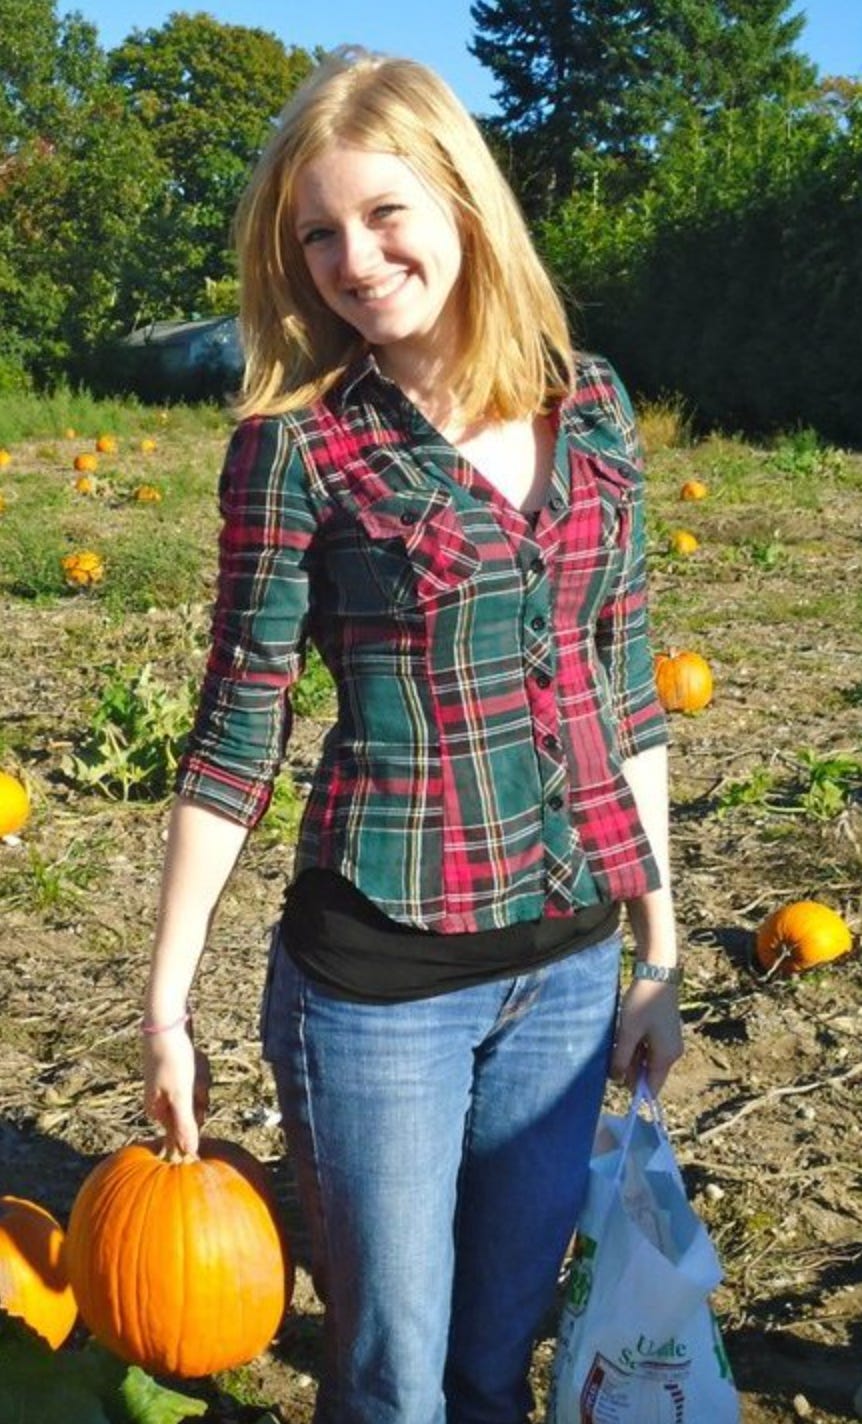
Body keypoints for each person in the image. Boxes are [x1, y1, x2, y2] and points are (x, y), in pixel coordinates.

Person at [141, 45, 684, 1424]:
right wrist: (169, 992)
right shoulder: (299, 444)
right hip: (378, 985)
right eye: (316, 234)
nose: (352, 259)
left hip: (566, 968)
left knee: (496, 1362)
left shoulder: (590, 403)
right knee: (393, 1381)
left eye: (383, 214)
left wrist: (658, 955)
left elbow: (624, 690)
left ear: (460, 201)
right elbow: (237, 724)